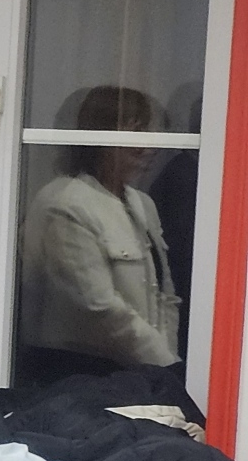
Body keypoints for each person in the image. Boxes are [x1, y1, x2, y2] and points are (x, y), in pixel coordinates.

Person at [17, 84, 180, 384]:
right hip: (74, 375)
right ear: (102, 137)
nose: (151, 147)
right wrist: (165, 366)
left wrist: (168, 364)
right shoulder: (64, 203)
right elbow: (98, 308)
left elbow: (165, 298)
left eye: (154, 134)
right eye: (138, 134)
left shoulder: (142, 204)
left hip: (140, 373)